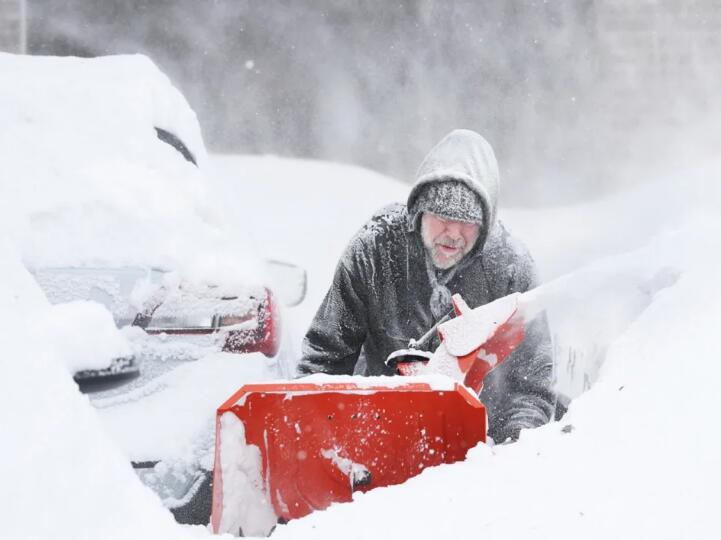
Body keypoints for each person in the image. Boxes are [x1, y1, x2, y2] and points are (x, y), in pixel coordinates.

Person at [298, 129, 555, 443]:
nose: (453, 233)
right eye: (442, 217)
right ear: (419, 212)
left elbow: (532, 389)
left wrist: (507, 450)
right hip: (378, 435)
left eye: (468, 222)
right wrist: (323, 441)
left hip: (479, 449)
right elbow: (324, 360)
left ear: (486, 225)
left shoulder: (511, 269)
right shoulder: (374, 251)